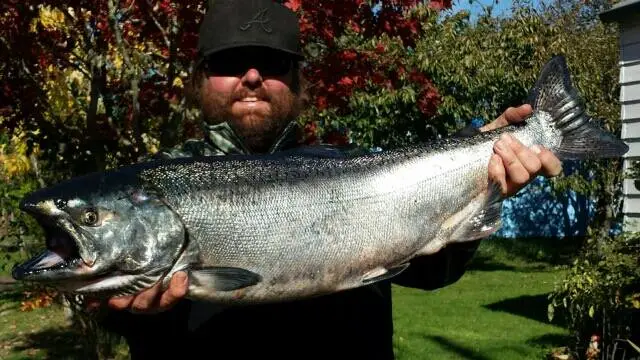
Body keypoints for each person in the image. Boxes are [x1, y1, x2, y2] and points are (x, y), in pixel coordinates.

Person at [92, 0, 563, 359]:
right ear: (200, 79)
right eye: (230, 63)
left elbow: (429, 270)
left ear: (298, 82)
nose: (252, 77)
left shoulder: (356, 168)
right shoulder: (149, 186)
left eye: (272, 65)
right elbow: (112, 316)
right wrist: (128, 313)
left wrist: (481, 167)